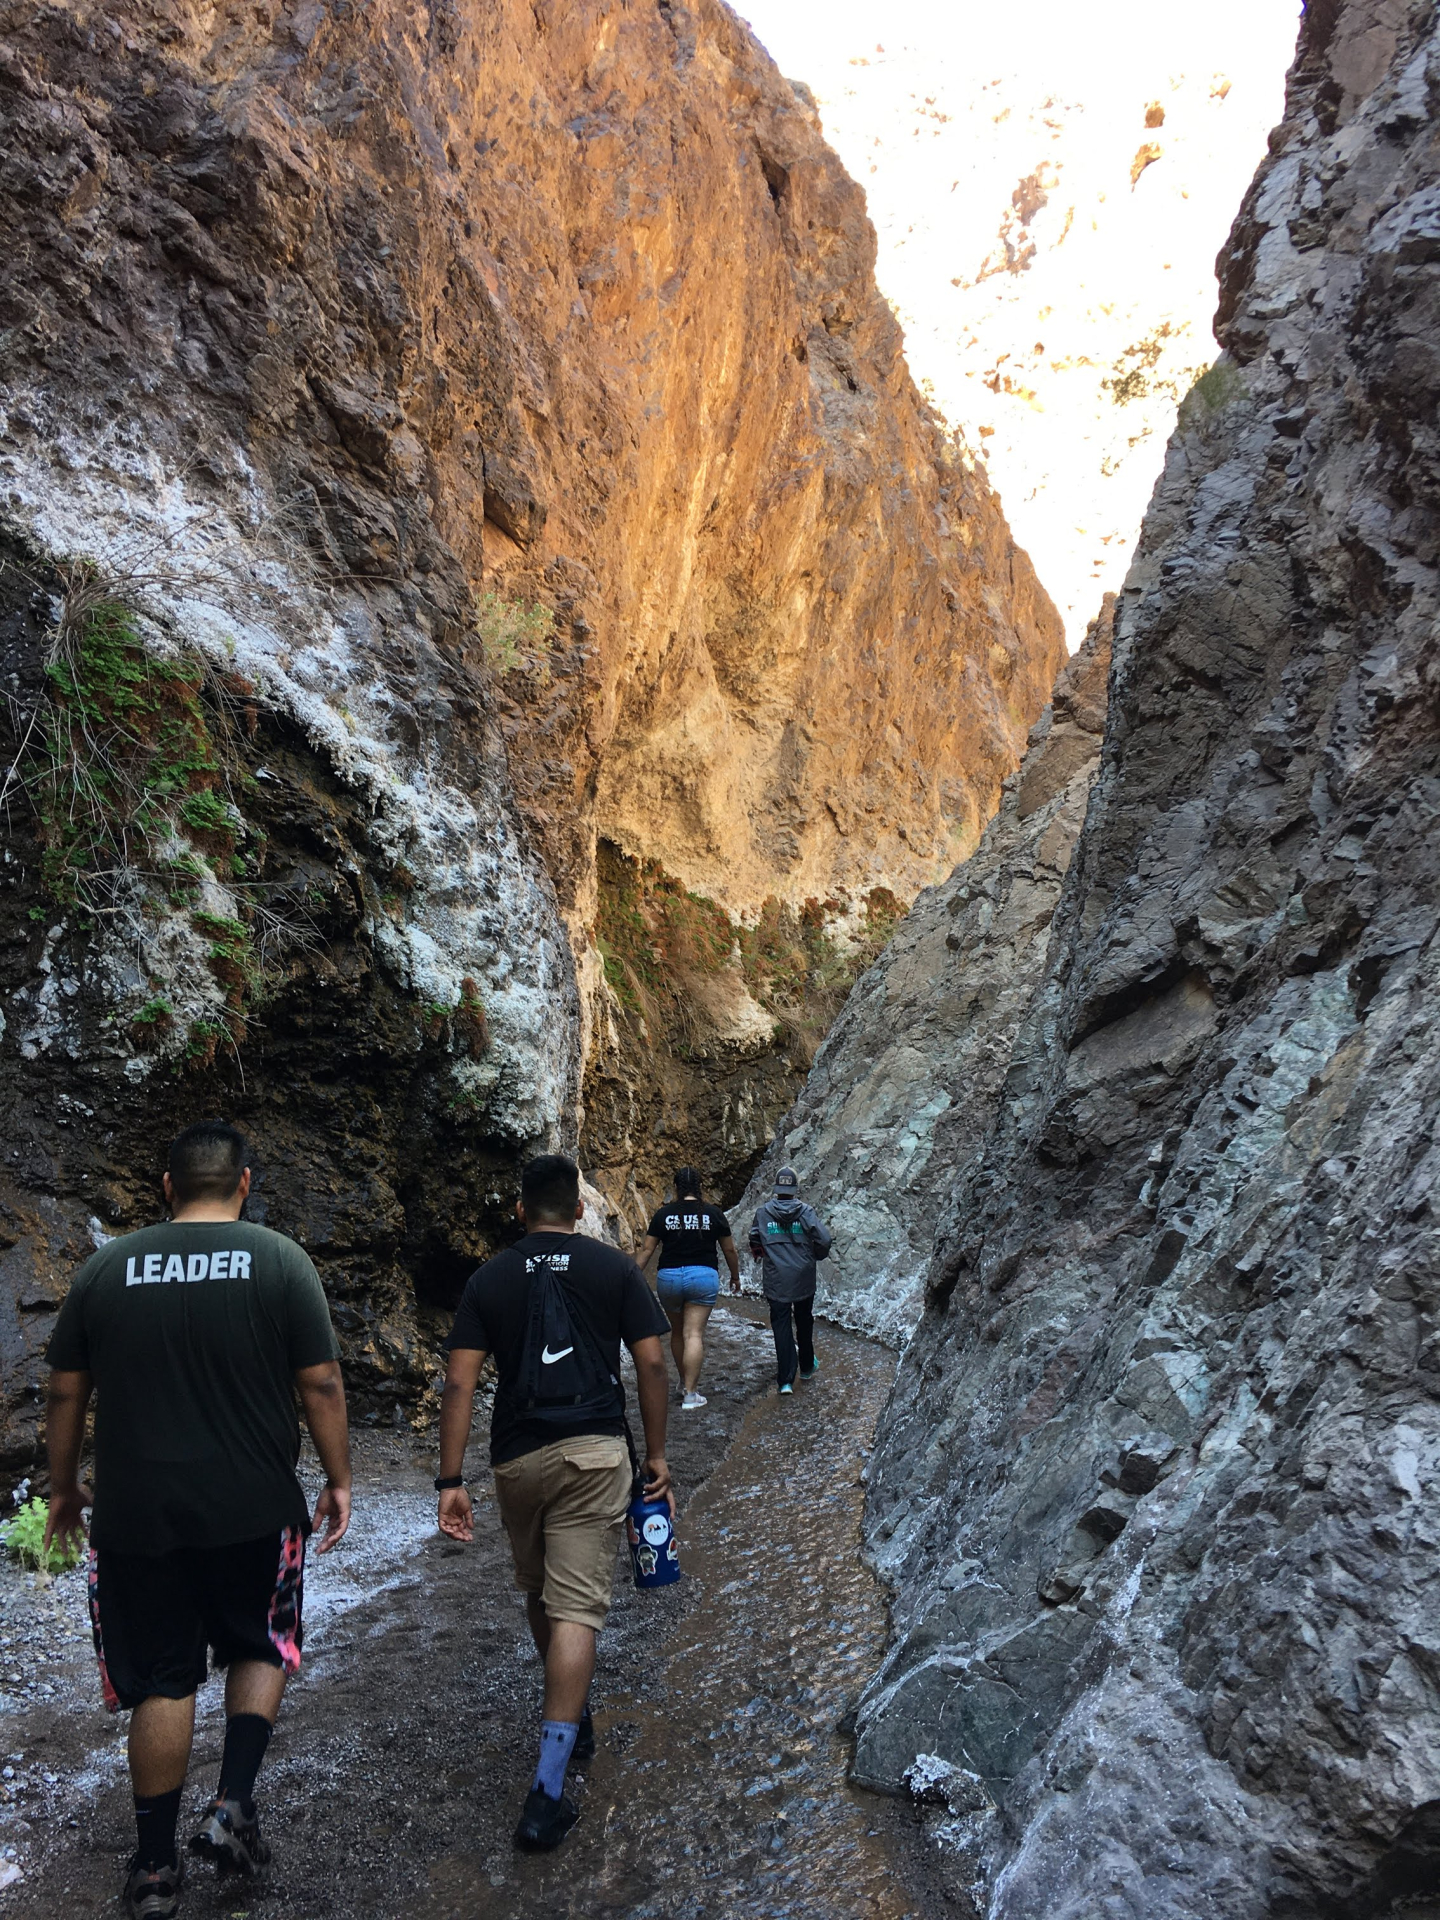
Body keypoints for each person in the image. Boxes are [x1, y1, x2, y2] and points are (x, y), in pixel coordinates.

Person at [42, 1120, 351, 1920]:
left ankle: (152, 1869)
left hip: (139, 1517)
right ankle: (230, 1804)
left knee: (164, 1679)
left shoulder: (105, 1270)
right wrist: (339, 1479)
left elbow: (66, 1389)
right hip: (255, 1506)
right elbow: (319, 1382)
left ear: (168, 1187)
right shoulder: (281, 1261)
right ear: (244, 1184)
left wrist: (64, 1485)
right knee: (261, 1642)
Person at [435, 1153, 673, 1851]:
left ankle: (574, 1714)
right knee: (574, 1606)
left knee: (541, 1592)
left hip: (517, 1458)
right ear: (578, 1210)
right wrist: (656, 1455)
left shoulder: (490, 1279)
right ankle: (545, 1795)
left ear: (519, 1211)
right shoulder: (614, 1270)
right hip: (595, 1452)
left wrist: (449, 1480)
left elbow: (458, 1382)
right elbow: (652, 1362)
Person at [636, 1167, 739, 1410]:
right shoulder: (713, 1214)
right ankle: (691, 1395)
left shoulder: (664, 1214)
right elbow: (729, 1250)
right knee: (693, 1334)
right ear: (700, 1188)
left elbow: (647, 1250)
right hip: (702, 1277)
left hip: (669, 1278)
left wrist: (631, 1276)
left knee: (677, 1332)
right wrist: (735, 1277)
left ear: (676, 1188)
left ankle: (683, 1383)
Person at [748, 1165, 832, 1395]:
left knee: (781, 1325)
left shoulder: (763, 1213)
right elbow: (824, 1240)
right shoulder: (806, 1212)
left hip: (776, 1278)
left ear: (776, 1188)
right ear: (795, 1188)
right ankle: (806, 1367)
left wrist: (762, 1254)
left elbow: (754, 1238)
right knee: (804, 1320)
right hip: (803, 1276)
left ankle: (785, 1381)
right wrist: (816, 1256)